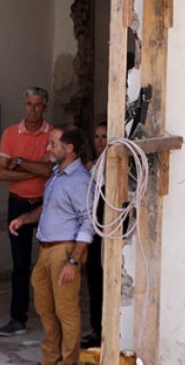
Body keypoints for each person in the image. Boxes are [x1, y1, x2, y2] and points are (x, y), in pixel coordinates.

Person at [9, 127, 94, 365]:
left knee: (66, 311)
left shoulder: (80, 180)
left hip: (64, 250)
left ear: (69, 148)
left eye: (53, 144)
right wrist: (24, 219)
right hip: (46, 250)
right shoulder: (56, 174)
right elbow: (48, 209)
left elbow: (88, 222)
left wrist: (74, 260)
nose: (48, 148)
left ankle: (68, 361)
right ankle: (50, 358)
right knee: (45, 308)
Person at [0, 87, 55, 336]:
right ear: (24, 105)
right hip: (17, 203)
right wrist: (36, 169)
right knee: (19, 265)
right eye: (29, 104)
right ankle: (18, 318)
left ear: (44, 107)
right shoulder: (10, 133)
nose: (33, 109)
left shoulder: (52, 134)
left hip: (45, 204)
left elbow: (50, 171)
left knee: (49, 264)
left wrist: (18, 163)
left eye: (38, 104)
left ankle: (51, 320)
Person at [81, 122, 107, 349]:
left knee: (106, 278)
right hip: (94, 228)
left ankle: (107, 330)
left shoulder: (115, 164)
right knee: (94, 279)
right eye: (97, 136)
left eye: (104, 136)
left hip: (109, 228)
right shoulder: (93, 165)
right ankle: (96, 329)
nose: (100, 141)